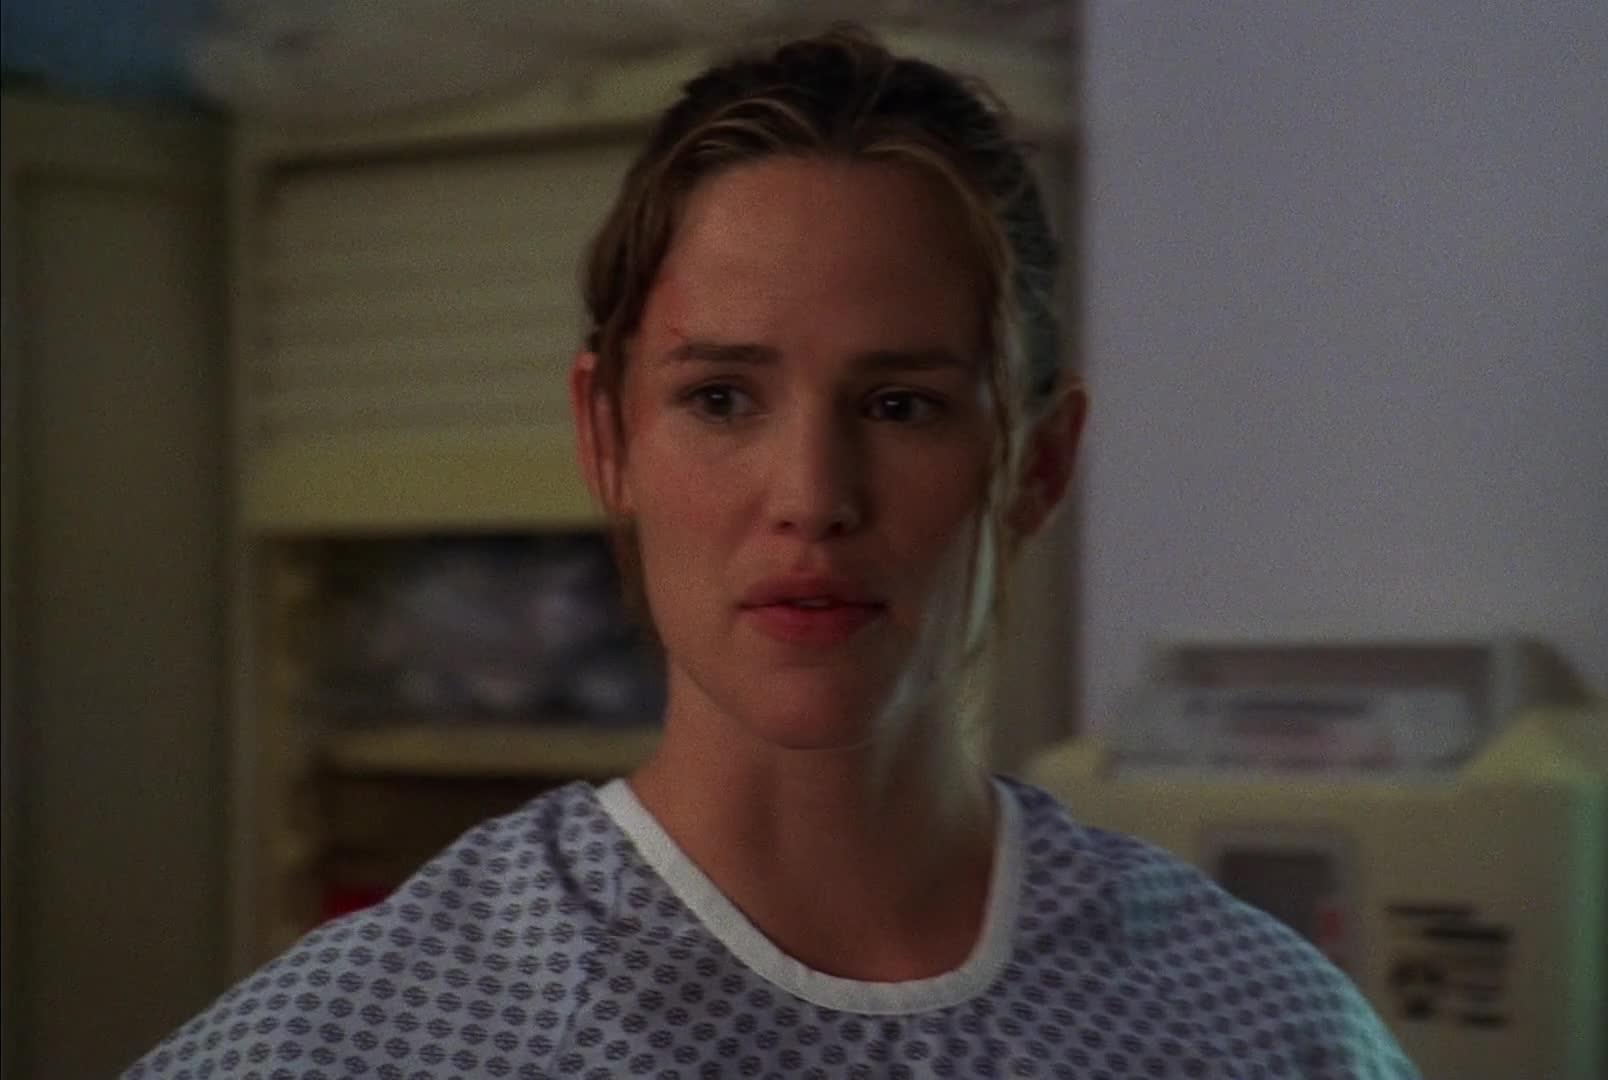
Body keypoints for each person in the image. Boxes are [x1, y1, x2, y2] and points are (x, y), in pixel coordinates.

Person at [128, 26, 1416, 1079]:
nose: (812, 498)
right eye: (722, 399)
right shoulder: (379, 1037)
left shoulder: (1253, 1027)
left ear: (1038, 463)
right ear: (607, 436)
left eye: (900, 404)